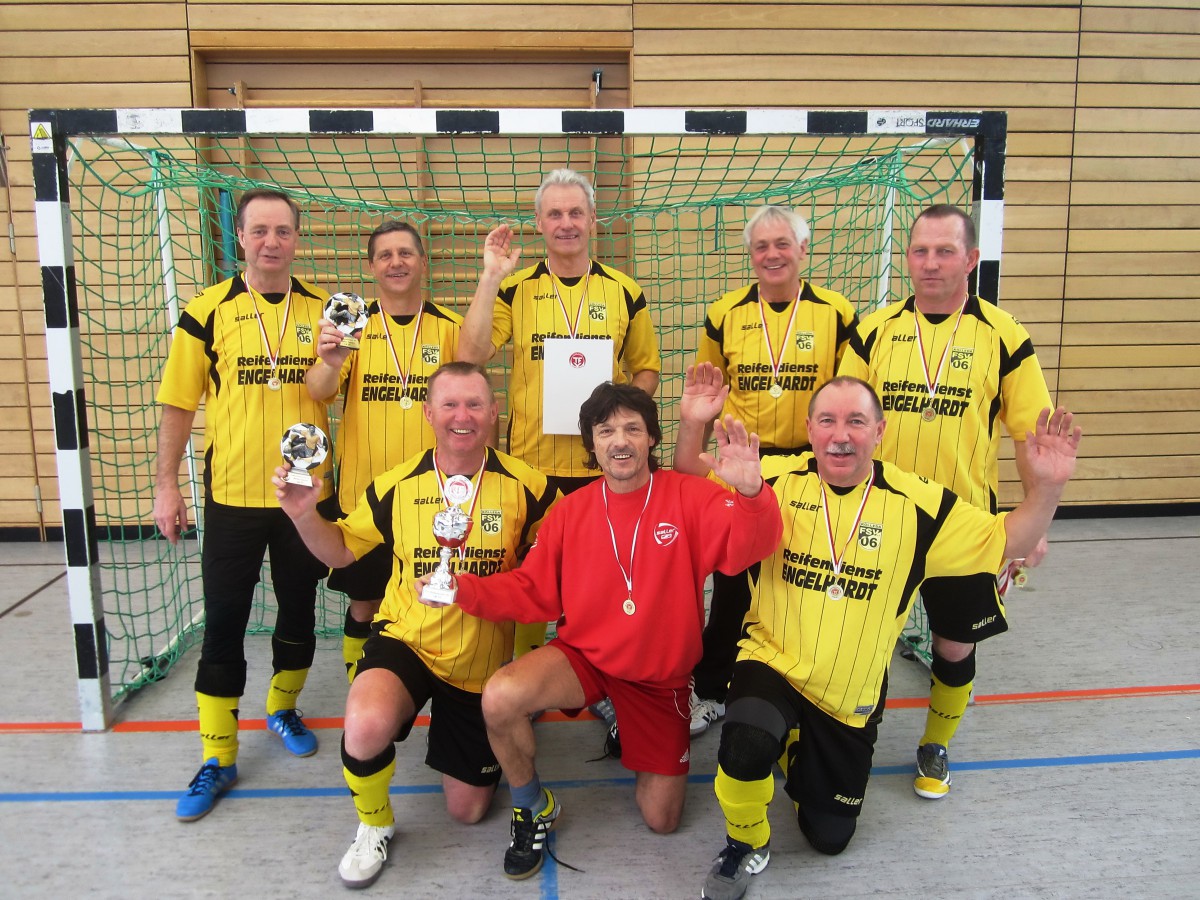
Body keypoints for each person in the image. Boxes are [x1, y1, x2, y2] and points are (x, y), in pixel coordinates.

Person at [673, 368, 1079, 900]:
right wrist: (690, 424)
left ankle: (797, 749)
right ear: (809, 427)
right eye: (828, 420)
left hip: (849, 694)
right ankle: (744, 842)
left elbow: (1007, 540)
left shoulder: (919, 505)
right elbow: (684, 480)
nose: (841, 434)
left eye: (856, 421)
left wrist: (1047, 488)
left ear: (880, 430)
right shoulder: (766, 476)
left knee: (828, 837)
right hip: (771, 659)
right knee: (745, 743)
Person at [417, 381, 783, 881]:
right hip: (585, 658)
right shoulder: (571, 510)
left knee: (662, 821)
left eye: (633, 428)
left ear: (652, 439)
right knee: (500, 697)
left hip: (658, 681)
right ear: (592, 443)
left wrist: (750, 493)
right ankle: (532, 806)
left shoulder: (689, 496)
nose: (620, 440)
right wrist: (465, 590)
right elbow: (534, 592)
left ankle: (624, 719)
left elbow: (750, 548)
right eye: (606, 430)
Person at [275, 362, 557, 889]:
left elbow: (563, 554)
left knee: (468, 811)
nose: (462, 416)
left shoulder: (530, 486)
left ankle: (482, 745)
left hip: (478, 663)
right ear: (428, 414)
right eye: (449, 404)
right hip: (407, 637)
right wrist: (303, 515)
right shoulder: (395, 485)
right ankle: (373, 826)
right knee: (363, 723)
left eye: (475, 404)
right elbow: (339, 552)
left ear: (495, 412)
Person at [838, 204, 1053, 799]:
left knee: (954, 645)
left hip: (964, 524)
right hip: (882, 517)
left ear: (972, 259)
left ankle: (936, 742)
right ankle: (847, 741)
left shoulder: (1004, 335)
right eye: (920, 251)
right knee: (864, 642)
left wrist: (1035, 520)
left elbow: (1035, 441)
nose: (930, 263)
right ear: (907, 257)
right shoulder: (874, 330)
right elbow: (842, 426)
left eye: (945, 251)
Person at [153, 188, 333, 822]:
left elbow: (330, 390)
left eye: (283, 231)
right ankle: (218, 756)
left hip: (302, 499)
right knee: (224, 623)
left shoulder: (324, 312)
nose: (271, 242)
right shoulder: (207, 311)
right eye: (259, 231)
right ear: (239, 238)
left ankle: (282, 707)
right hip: (231, 495)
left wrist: (332, 358)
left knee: (299, 615)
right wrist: (165, 485)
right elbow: (179, 404)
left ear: (295, 238)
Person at [457, 169, 661, 660]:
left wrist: (618, 429)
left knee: (605, 577)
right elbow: (471, 353)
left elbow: (647, 370)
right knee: (534, 576)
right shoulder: (515, 288)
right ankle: (528, 674)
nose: (566, 223)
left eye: (575, 212)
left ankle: (599, 672)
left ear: (593, 219)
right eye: (555, 214)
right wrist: (490, 277)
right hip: (534, 464)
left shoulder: (624, 290)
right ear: (540, 223)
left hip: (605, 469)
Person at [689, 204, 859, 737]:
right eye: (761, 246)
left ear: (803, 250)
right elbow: (708, 391)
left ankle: (803, 686)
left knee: (797, 581)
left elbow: (847, 397)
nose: (771, 254)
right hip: (744, 466)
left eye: (782, 244)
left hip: (810, 467)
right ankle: (713, 688)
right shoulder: (725, 312)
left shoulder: (836, 311)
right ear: (750, 255)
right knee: (733, 583)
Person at [306, 221, 463, 681]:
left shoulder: (450, 328)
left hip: (431, 500)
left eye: (406, 253)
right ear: (371, 265)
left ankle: (443, 685)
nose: (397, 262)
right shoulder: (353, 326)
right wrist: (329, 361)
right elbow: (318, 389)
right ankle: (361, 682)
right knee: (365, 602)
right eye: (386, 255)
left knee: (436, 596)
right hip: (366, 500)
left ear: (422, 261)